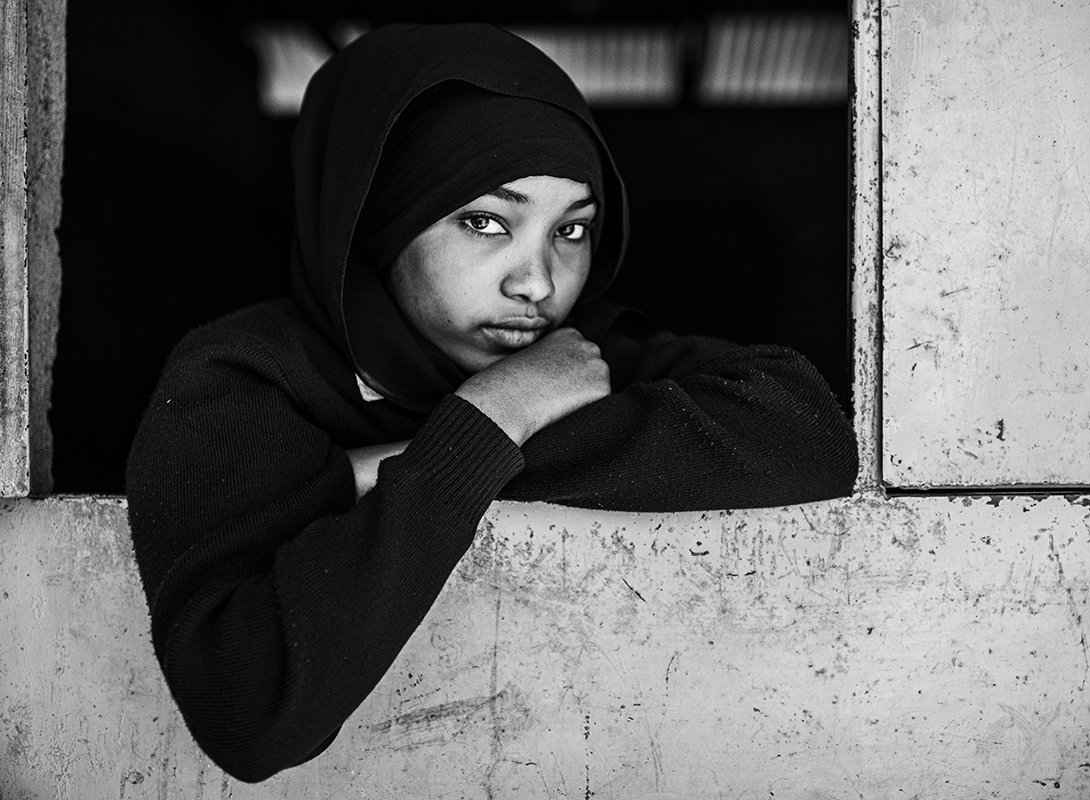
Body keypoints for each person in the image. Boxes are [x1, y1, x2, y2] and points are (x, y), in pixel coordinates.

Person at [125, 22, 858, 783]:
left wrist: (371, 472)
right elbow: (249, 713)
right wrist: (496, 416)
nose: (537, 283)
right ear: (380, 218)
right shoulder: (244, 379)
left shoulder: (586, 356)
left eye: (572, 229)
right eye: (485, 222)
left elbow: (809, 438)